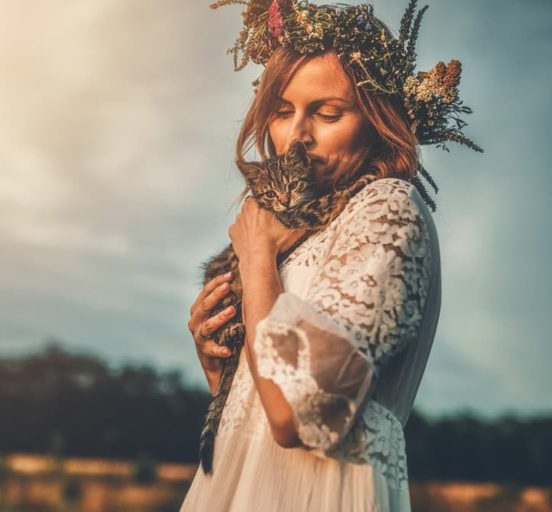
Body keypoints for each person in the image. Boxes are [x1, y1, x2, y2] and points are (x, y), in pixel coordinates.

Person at [181, 1, 482, 510]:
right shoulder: (301, 222)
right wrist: (222, 370)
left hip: (325, 492)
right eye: (281, 111)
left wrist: (256, 254)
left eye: (326, 113)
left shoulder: (386, 210)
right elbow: (266, 398)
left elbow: (296, 414)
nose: (297, 134)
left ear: (375, 121)